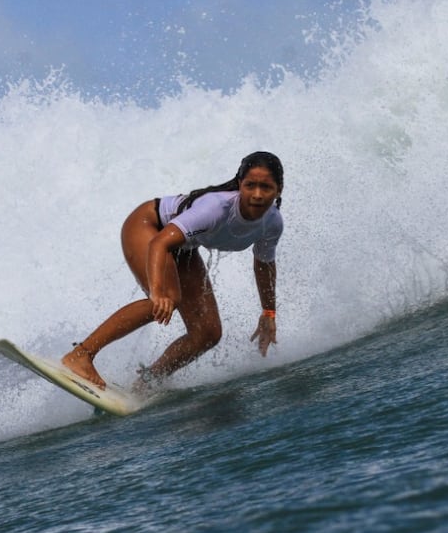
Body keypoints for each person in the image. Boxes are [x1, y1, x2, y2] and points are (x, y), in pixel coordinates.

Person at [62, 151, 285, 391]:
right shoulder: (216, 208)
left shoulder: (272, 223)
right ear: (240, 184)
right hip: (149, 225)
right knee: (165, 299)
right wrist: (158, 292)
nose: (257, 195)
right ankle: (80, 355)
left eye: (266, 187)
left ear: (278, 190)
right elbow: (160, 243)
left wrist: (269, 312)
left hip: (182, 247)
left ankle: (147, 382)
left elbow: (263, 264)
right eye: (250, 185)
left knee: (208, 333)